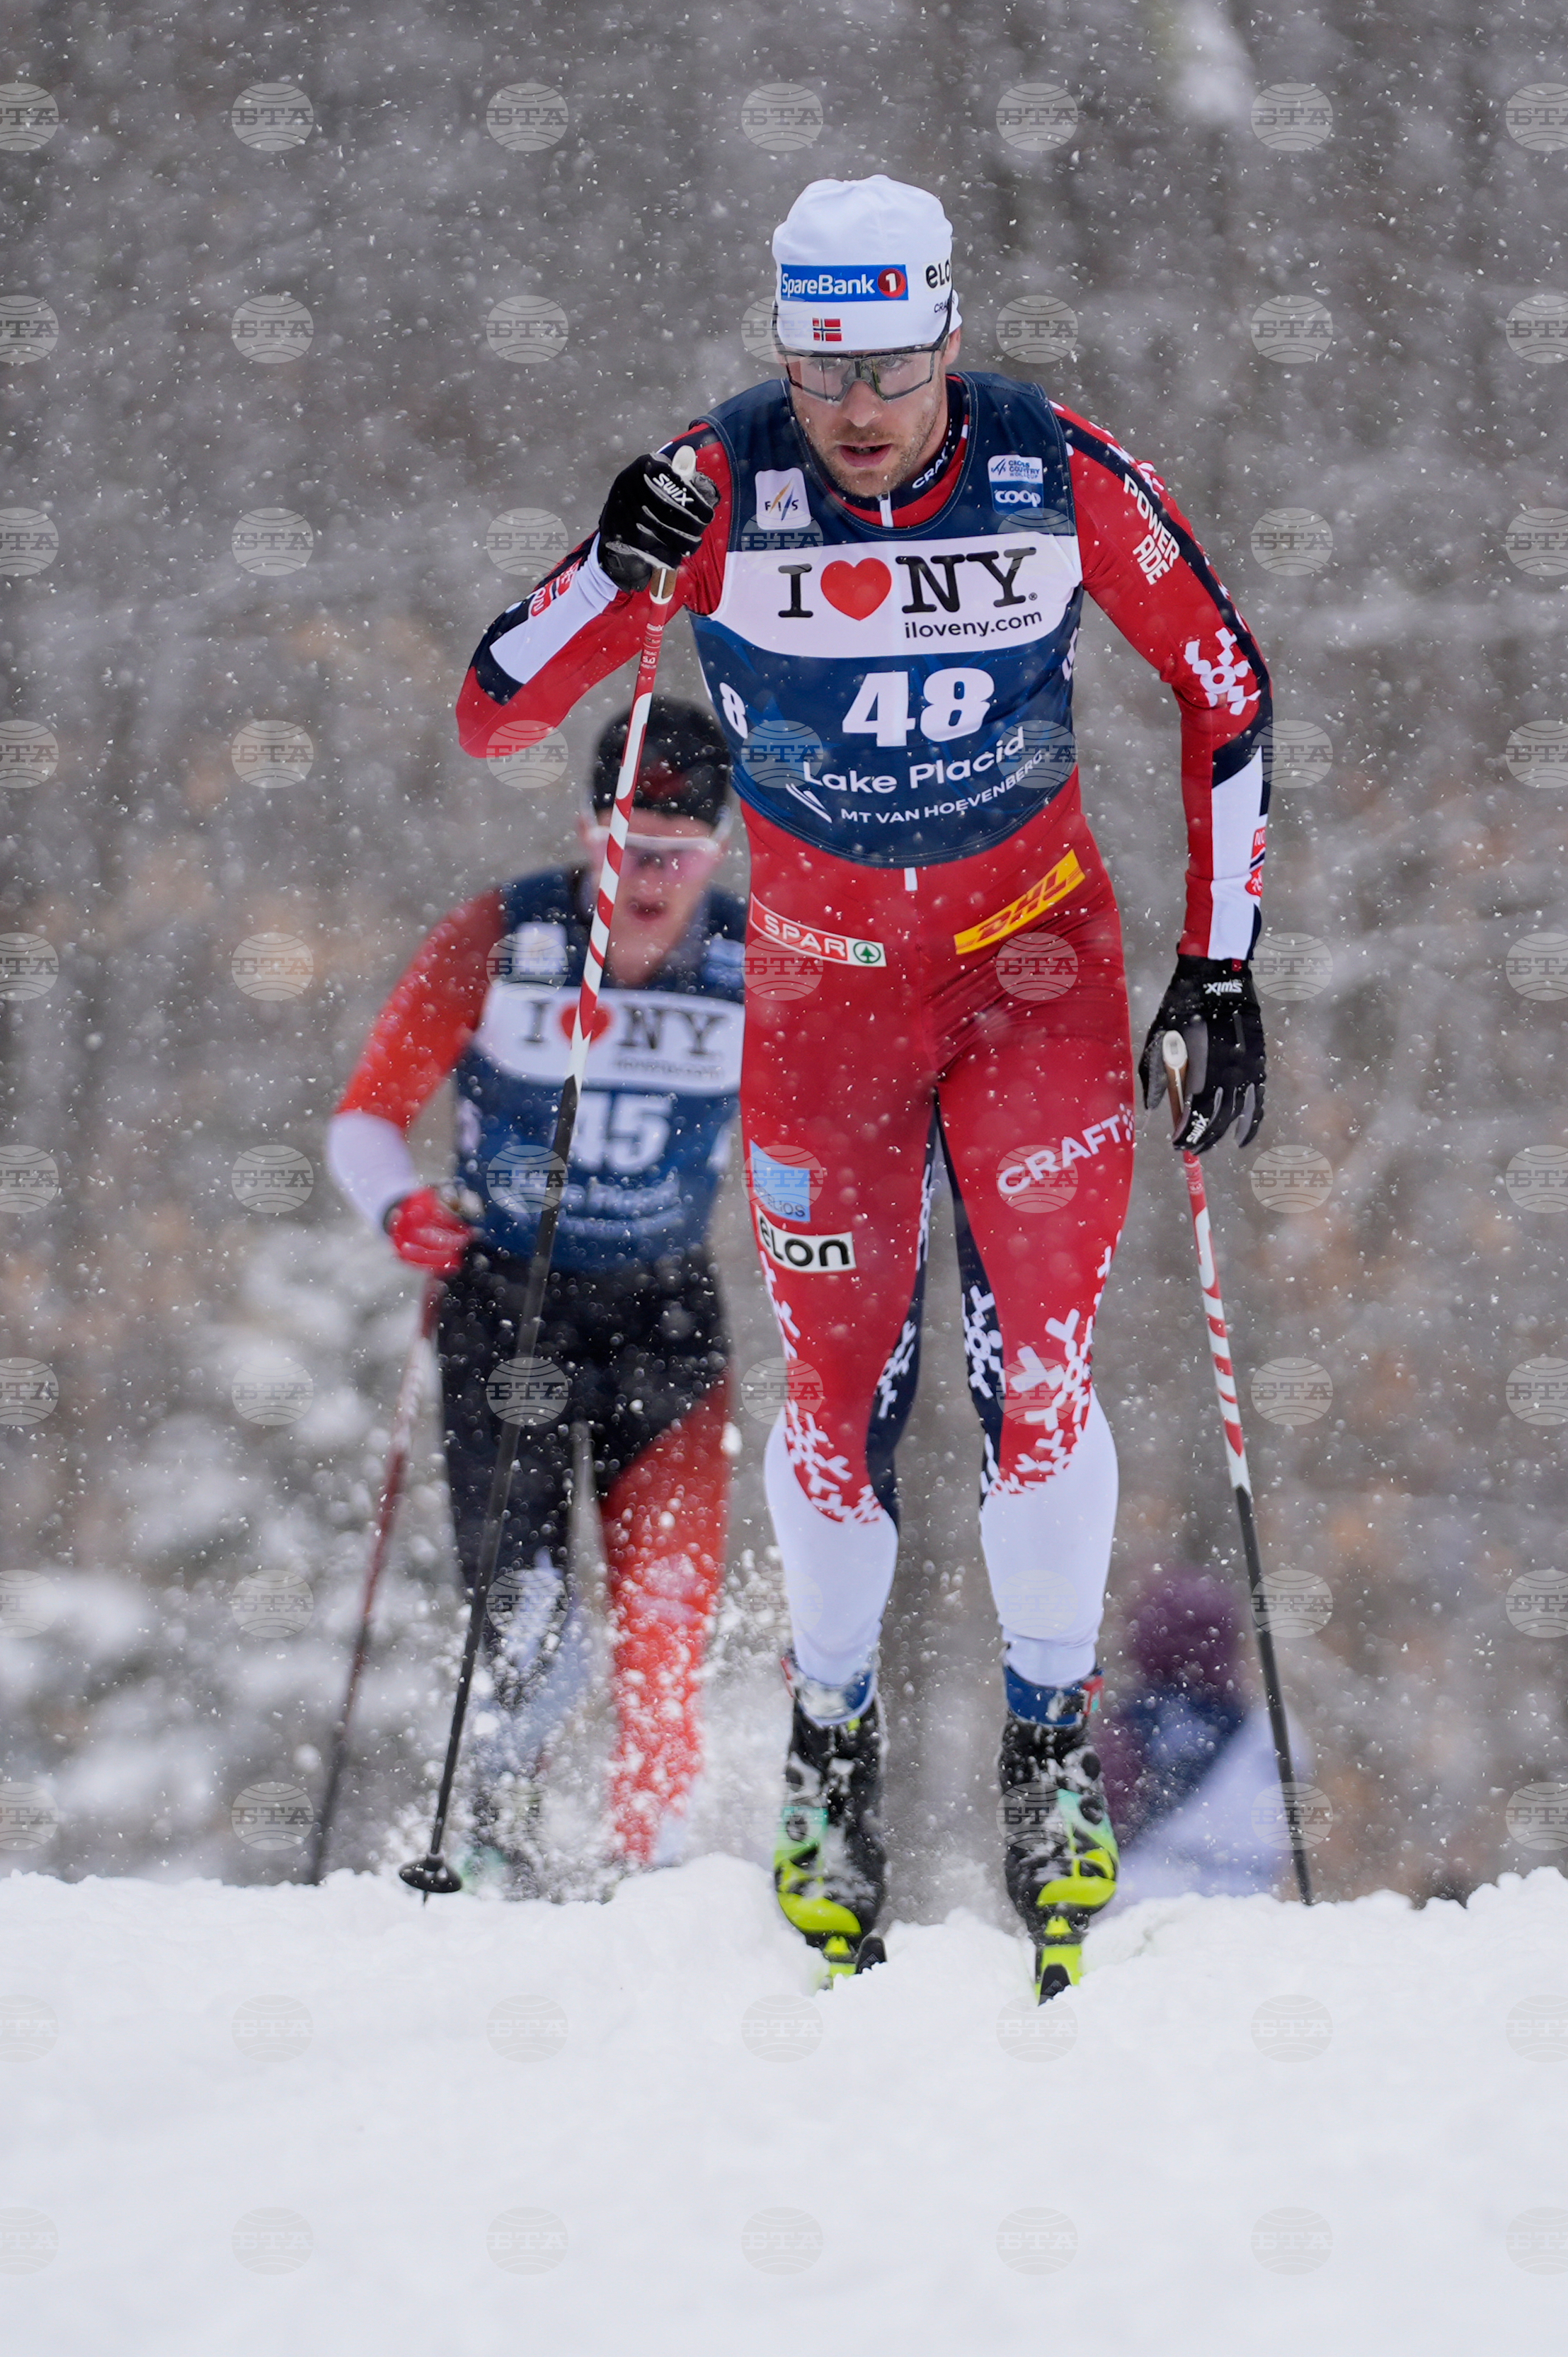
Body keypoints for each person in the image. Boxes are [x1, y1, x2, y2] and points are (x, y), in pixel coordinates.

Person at [455, 175, 1272, 1992]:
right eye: (822, 368)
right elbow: (497, 710)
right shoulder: (717, 482)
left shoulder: (1054, 469)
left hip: (1033, 970)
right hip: (822, 991)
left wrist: (1220, 962)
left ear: (951, 336)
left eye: (894, 364)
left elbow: (1224, 683)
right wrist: (612, 560)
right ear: (785, 356)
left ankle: (1051, 1747)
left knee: (1039, 1357)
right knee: (840, 1383)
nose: (859, 408)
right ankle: (831, 1743)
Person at [327, 700, 744, 1890]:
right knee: (527, 1617)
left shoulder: (753, 960)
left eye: (679, 849)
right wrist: (402, 1207)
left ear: (716, 852)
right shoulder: (500, 938)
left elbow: (828, 1130)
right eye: (629, 843)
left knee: (664, 1619)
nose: (651, 874)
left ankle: (649, 1862)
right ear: (587, 829)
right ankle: (499, 1825)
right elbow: (366, 1111)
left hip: (665, 1318)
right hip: (509, 1307)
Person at [1097, 1573, 1298, 1902]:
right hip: (1253, 1908)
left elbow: (1102, 1819)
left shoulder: (1137, 1723)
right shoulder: (1274, 1731)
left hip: (1143, 1905)